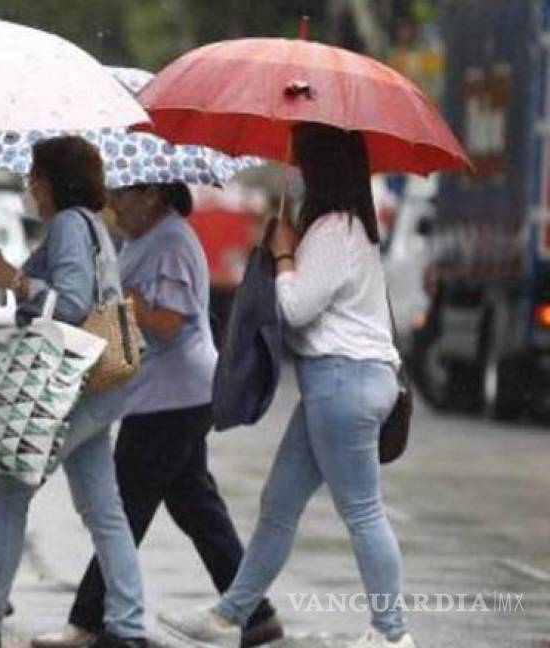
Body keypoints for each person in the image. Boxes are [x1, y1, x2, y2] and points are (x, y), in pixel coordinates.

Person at [157, 123, 414, 648]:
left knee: (363, 511)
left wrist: (282, 255)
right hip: (341, 383)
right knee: (279, 503)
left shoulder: (335, 228)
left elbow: (295, 309)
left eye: (301, 162)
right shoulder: (351, 227)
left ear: (321, 168)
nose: (294, 173)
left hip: (342, 383)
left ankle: (391, 633)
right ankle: (232, 613)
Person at [31, 182, 283, 648]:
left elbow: (169, 323)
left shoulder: (171, 240)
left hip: (172, 399)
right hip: (164, 396)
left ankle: (91, 621)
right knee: (194, 505)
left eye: (121, 195)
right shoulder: (146, 238)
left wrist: (122, 297)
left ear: (151, 195)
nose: (112, 203)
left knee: (123, 509)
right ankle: (254, 613)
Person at [0, 135, 146, 648]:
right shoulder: (87, 226)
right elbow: (45, 289)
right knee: (102, 507)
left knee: (8, 488)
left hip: (75, 383)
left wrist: (19, 284)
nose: (29, 185)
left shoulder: (68, 224)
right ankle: (127, 626)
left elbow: (71, 304)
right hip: (98, 382)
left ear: (52, 180)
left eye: (34, 176)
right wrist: (9, 277)